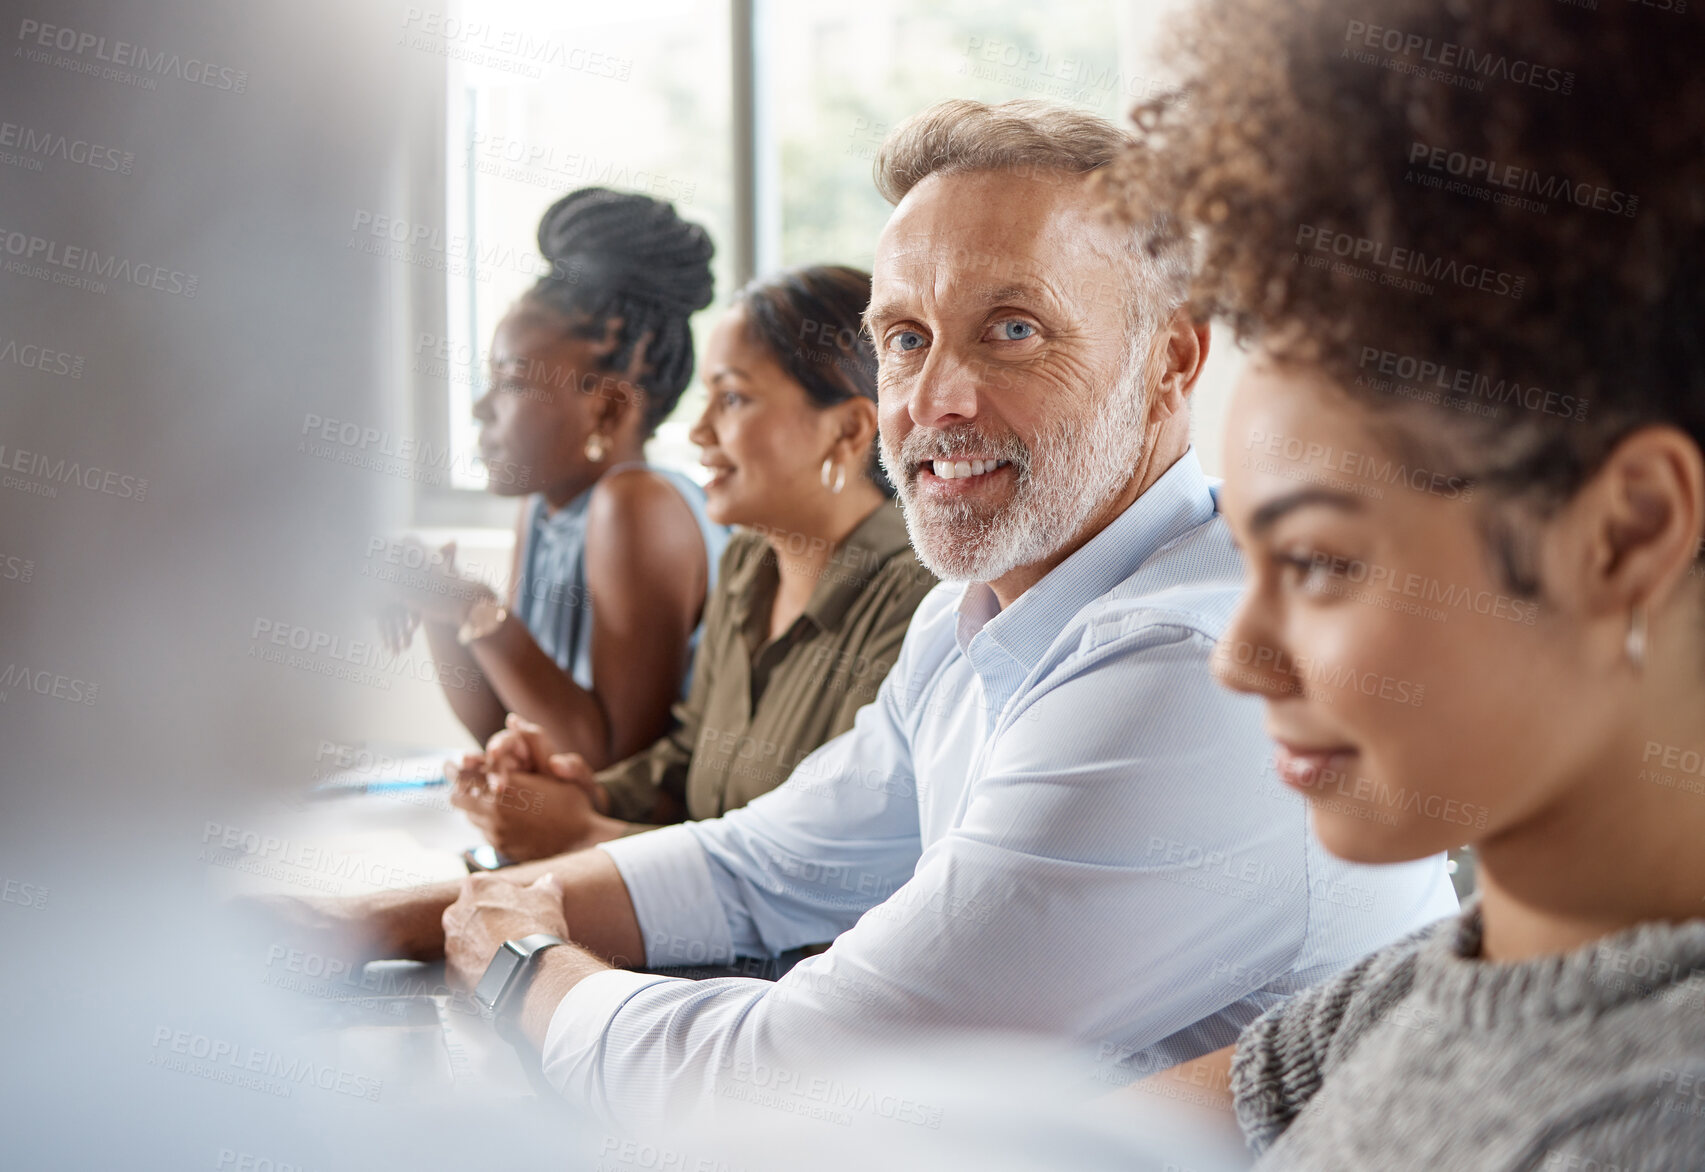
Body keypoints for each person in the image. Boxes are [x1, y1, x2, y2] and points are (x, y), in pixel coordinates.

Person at [279, 99, 1456, 1130]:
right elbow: (763, 864)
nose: (934, 399)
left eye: (1013, 328)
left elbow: (786, 1091)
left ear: (1170, 363)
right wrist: (429, 911)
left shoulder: (1186, 665)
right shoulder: (973, 615)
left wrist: (519, 962)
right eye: (903, 339)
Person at [1105, 0, 1705, 1167]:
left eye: (1321, 562)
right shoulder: (1426, 985)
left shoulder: (1648, 1118)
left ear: (1626, 533)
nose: (1237, 655)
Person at [447, 266, 938, 865]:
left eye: (732, 399)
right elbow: (684, 765)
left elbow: (815, 871)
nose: (701, 431)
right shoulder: (746, 565)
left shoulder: (918, 604)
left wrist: (583, 834)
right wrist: (579, 791)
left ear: (849, 429)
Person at [379, 187, 728, 769]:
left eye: (512, 382)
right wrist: (439, 597)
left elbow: (606, 764)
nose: (481, 408)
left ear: (610, 409)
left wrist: (472, 605)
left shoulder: (636, 504)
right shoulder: (546, 507)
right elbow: (509, 727)